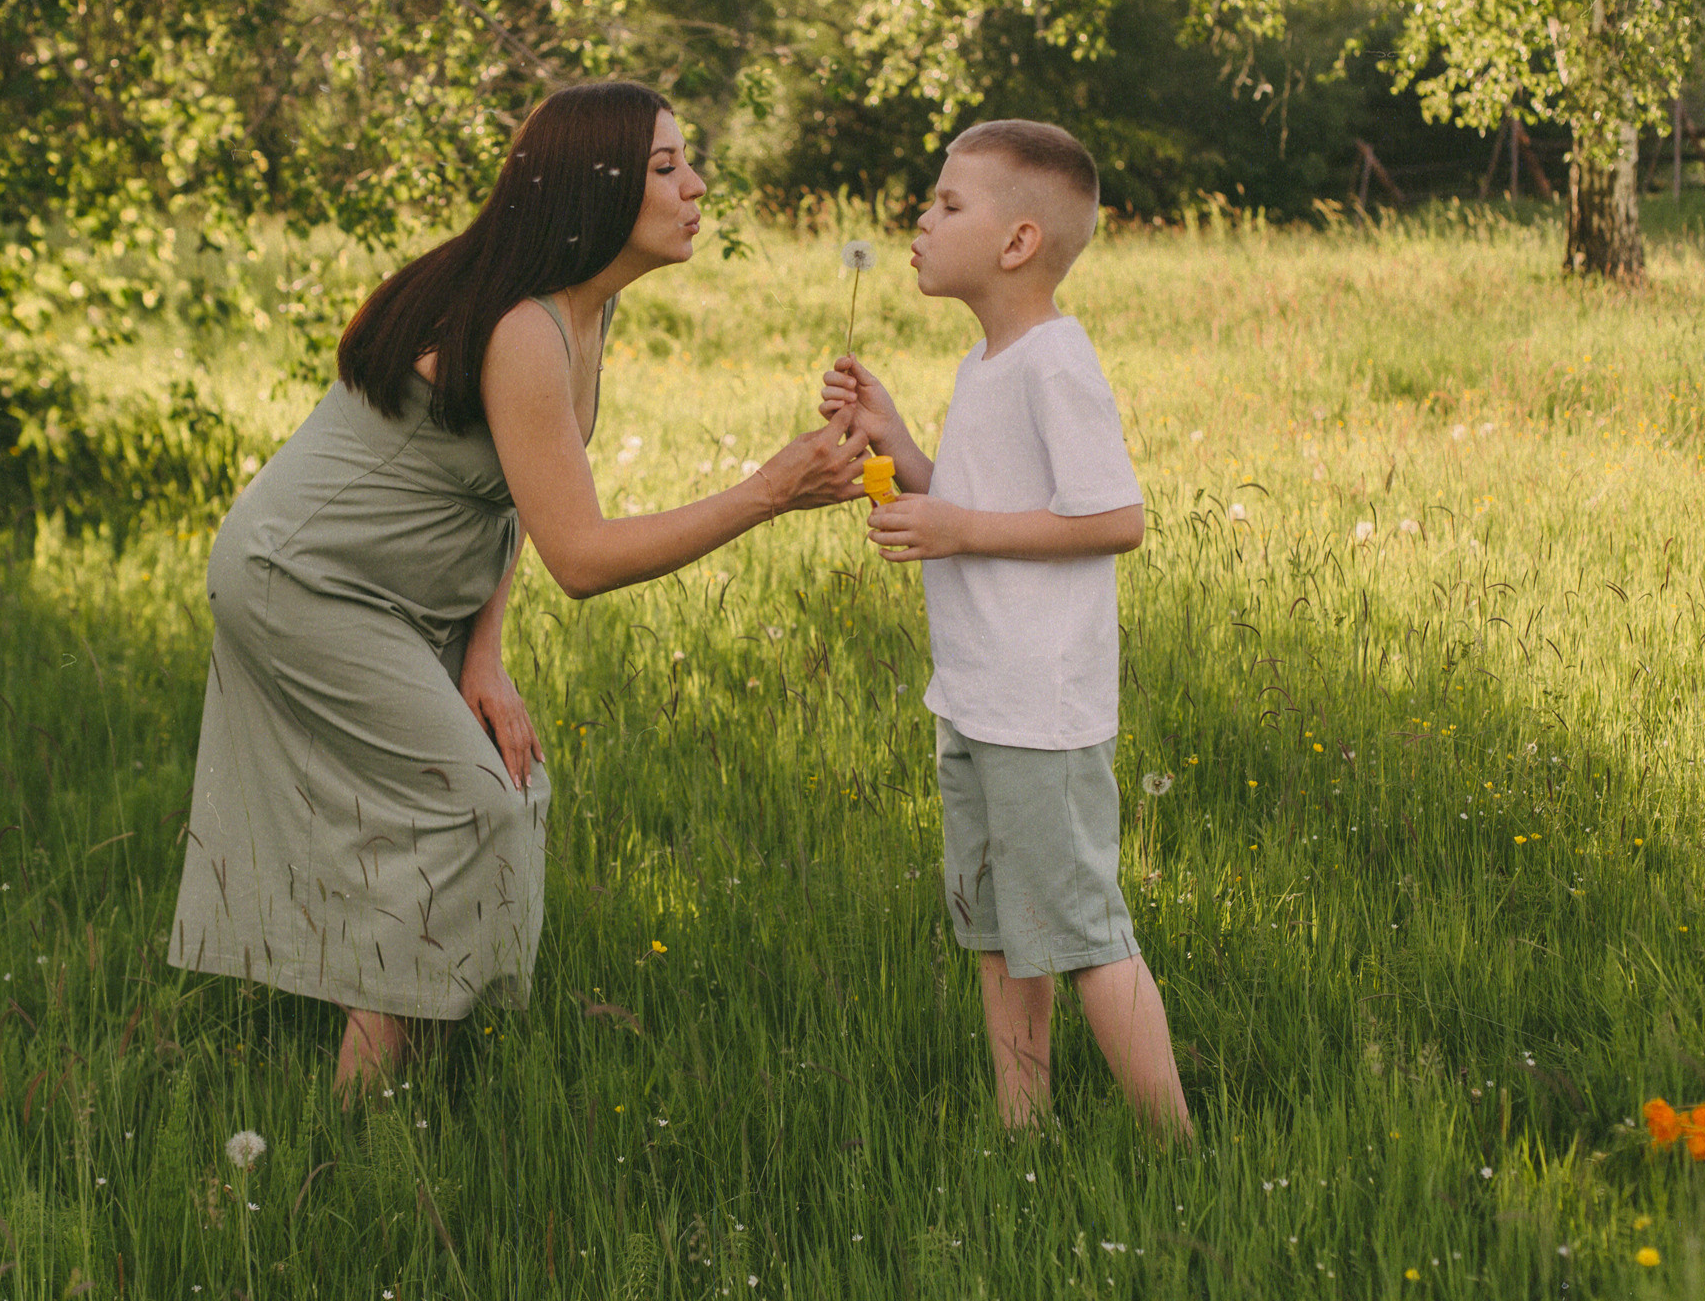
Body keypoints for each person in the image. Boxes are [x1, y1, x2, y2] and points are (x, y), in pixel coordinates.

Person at [169, 80, 871, 1099]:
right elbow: (580, 557)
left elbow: (508, 502)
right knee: (465, 806)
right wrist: (769, 490)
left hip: (403, 594)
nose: (696, 185)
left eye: (688, 161)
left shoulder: (587, 308)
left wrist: (483, 655)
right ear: (593, 193)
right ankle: (359, 1112)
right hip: (303, 584)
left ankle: (434, 1054)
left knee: (509, 785)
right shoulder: (521, 328)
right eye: (666, 167)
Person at [820, 119, 1190, 1136]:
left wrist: (956, 525)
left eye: (947, 204)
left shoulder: (1054, 364)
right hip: (975, 700)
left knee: (1080, 935)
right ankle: (1022, 1131)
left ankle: (1179, 1149)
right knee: (995, 932)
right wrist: (897, 442)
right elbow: (979, 504)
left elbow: (1117, 518)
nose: (922, 221)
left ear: (1018, 242)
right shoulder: (989, 363)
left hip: (1042, 711)